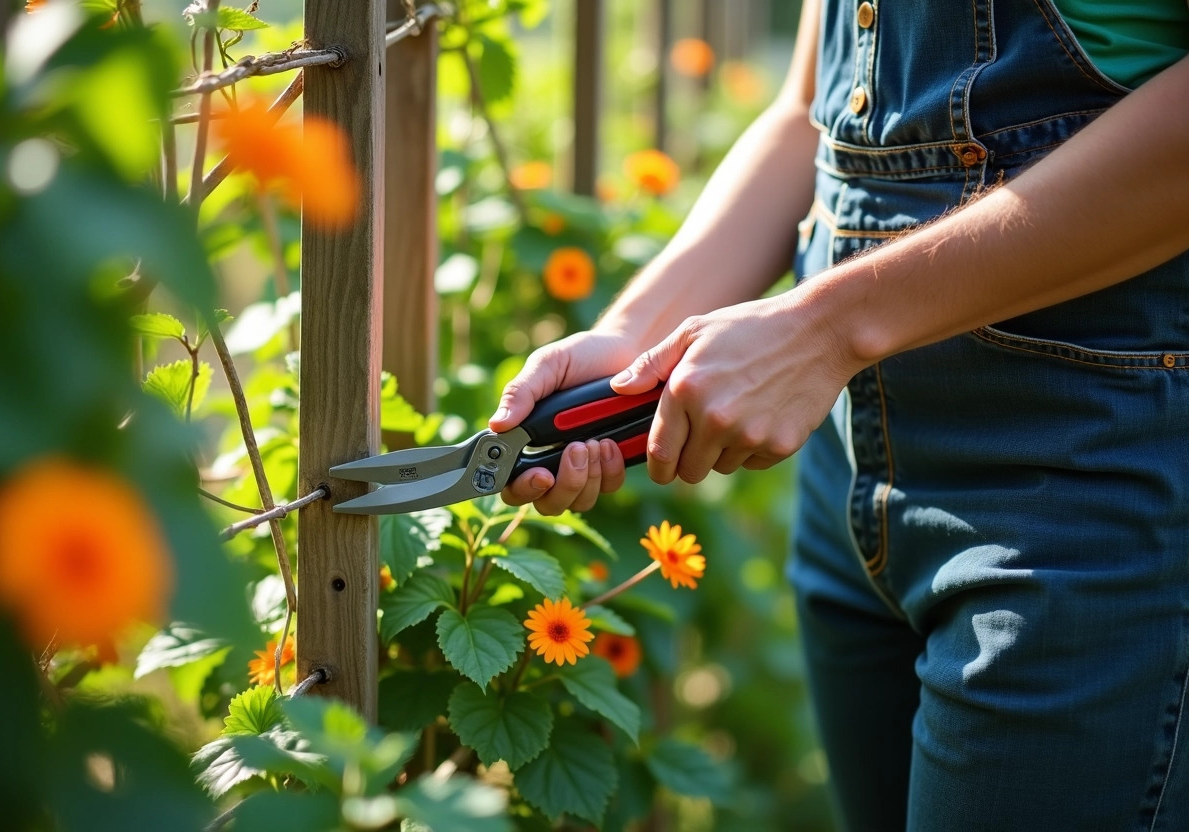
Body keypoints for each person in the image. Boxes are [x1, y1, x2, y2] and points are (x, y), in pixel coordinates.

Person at [490, 0, 1189, 828]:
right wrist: (632, 342)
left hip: (1080, 483)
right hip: (846, 480)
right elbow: (806, 114)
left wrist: (826, 327)